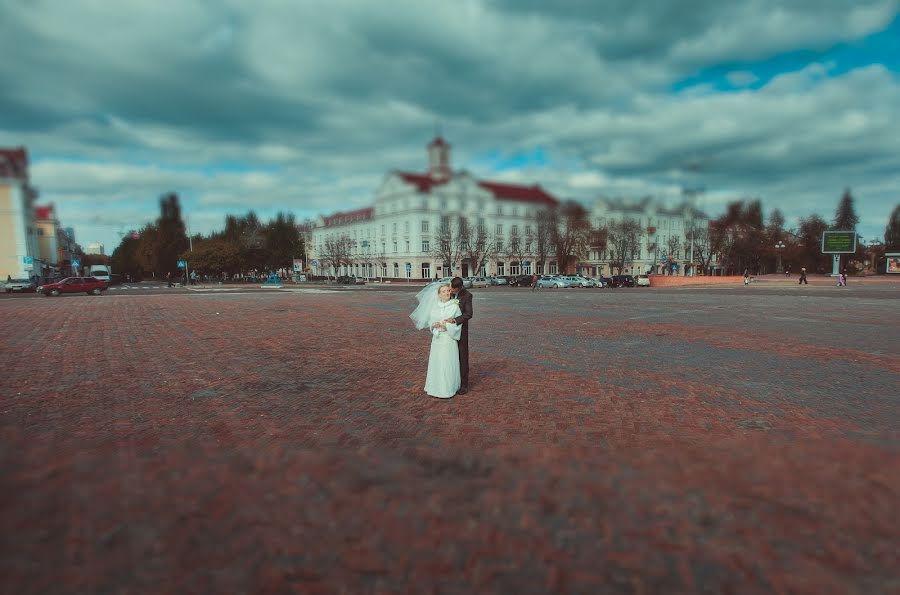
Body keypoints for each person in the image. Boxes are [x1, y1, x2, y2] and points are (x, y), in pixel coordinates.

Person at [410, 282, 462, 399]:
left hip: (448, 339)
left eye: (448, 291)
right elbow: (431, 323)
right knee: (437, 362)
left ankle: (447, 388)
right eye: (443, 291)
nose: (447, 293)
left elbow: (458, 324)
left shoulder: (454, 306)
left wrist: (446, 326)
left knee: (447, 363)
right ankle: (435, 387)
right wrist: (434, 325)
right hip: (437, 339)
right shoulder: (434, 307)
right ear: (439, 294)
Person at [446, 277, 473, 394]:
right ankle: (452, 381)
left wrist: (455, 320)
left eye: (452, 288)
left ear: (459, 288)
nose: (450, 289)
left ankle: (464, 385)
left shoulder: (467, 295)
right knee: (451, 356)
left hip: (461, 330)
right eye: (450, 287)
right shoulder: (449, 293)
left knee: (462, 356)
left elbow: (468, 314)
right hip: (448, 331)